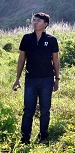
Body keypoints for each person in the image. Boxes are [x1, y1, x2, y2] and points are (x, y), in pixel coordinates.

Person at [12, 12, 60, 144]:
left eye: (38, 21)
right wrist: (18, 78)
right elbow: (22, 58)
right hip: (31, 79)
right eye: (34, 20)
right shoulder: (26, 38)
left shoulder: (51, 39)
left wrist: (57, 79)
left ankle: (43, 136)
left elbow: (56, 60)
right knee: (28, 110)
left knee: (45, 110)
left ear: (45, 24)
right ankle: (25, 139)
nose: (35, 22)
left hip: (47, 79)